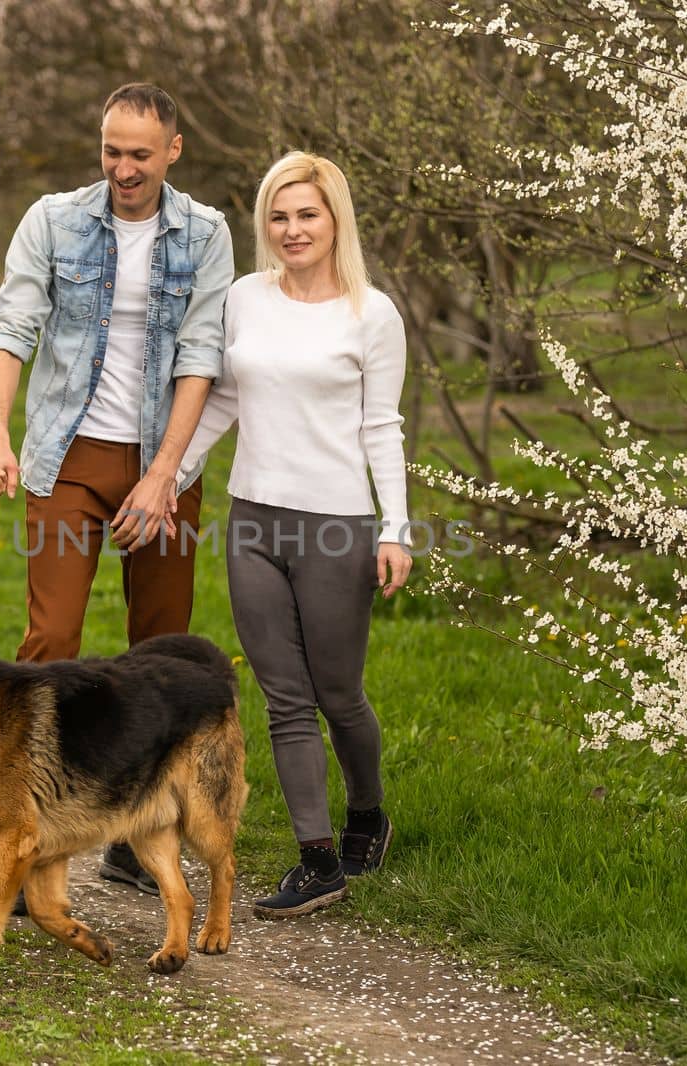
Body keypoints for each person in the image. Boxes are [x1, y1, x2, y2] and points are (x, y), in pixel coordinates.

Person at [0, 82, 235, 897]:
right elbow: (11, 327)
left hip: (165, 465)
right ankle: (12, 843)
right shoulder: (52, 220)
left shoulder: (208, 233)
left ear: (173, 151)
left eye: (140, 155)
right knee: (50, 641)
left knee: (161, 648)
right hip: (68, 458)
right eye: (112, 151)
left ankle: (134, 832)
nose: (123, 169)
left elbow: (202, 354)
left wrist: (163, 476)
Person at [179, 151, 413, 918]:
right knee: (284, 698)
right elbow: (226, 400)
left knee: (339, 694)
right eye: (278, 216)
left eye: (307, 214)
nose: (292, 229)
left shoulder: (371, 315)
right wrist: (170, 473)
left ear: (335, 218)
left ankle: (368, 814)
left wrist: (396, 529)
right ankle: (317, 860)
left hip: (336, 527)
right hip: (252, 519)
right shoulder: (246, 298)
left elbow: (383, 426)